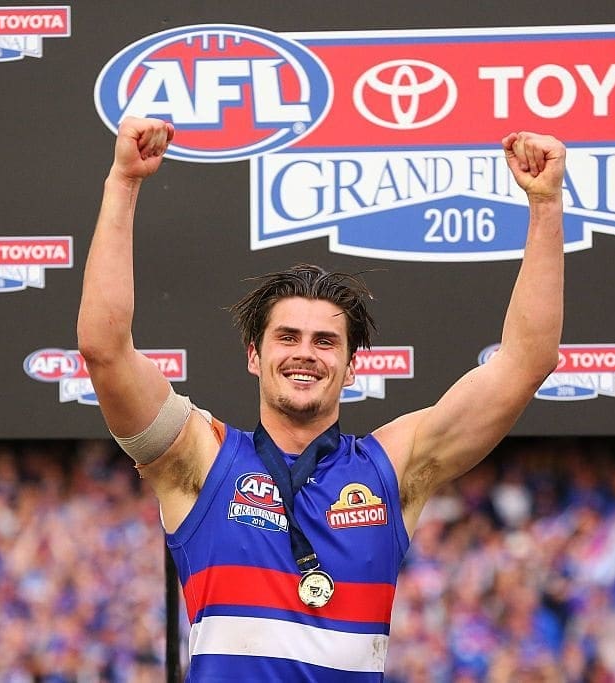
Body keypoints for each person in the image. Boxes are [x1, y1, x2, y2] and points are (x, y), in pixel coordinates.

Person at [77, 116, 565, 681]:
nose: (305, 354)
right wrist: (123, 184)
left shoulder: (391, 468)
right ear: (254, 355)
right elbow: (104, 350)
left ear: (350, 365)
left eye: (325, 341)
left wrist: (546, 205)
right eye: (287, 337)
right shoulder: (201, 462)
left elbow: (526, 363)